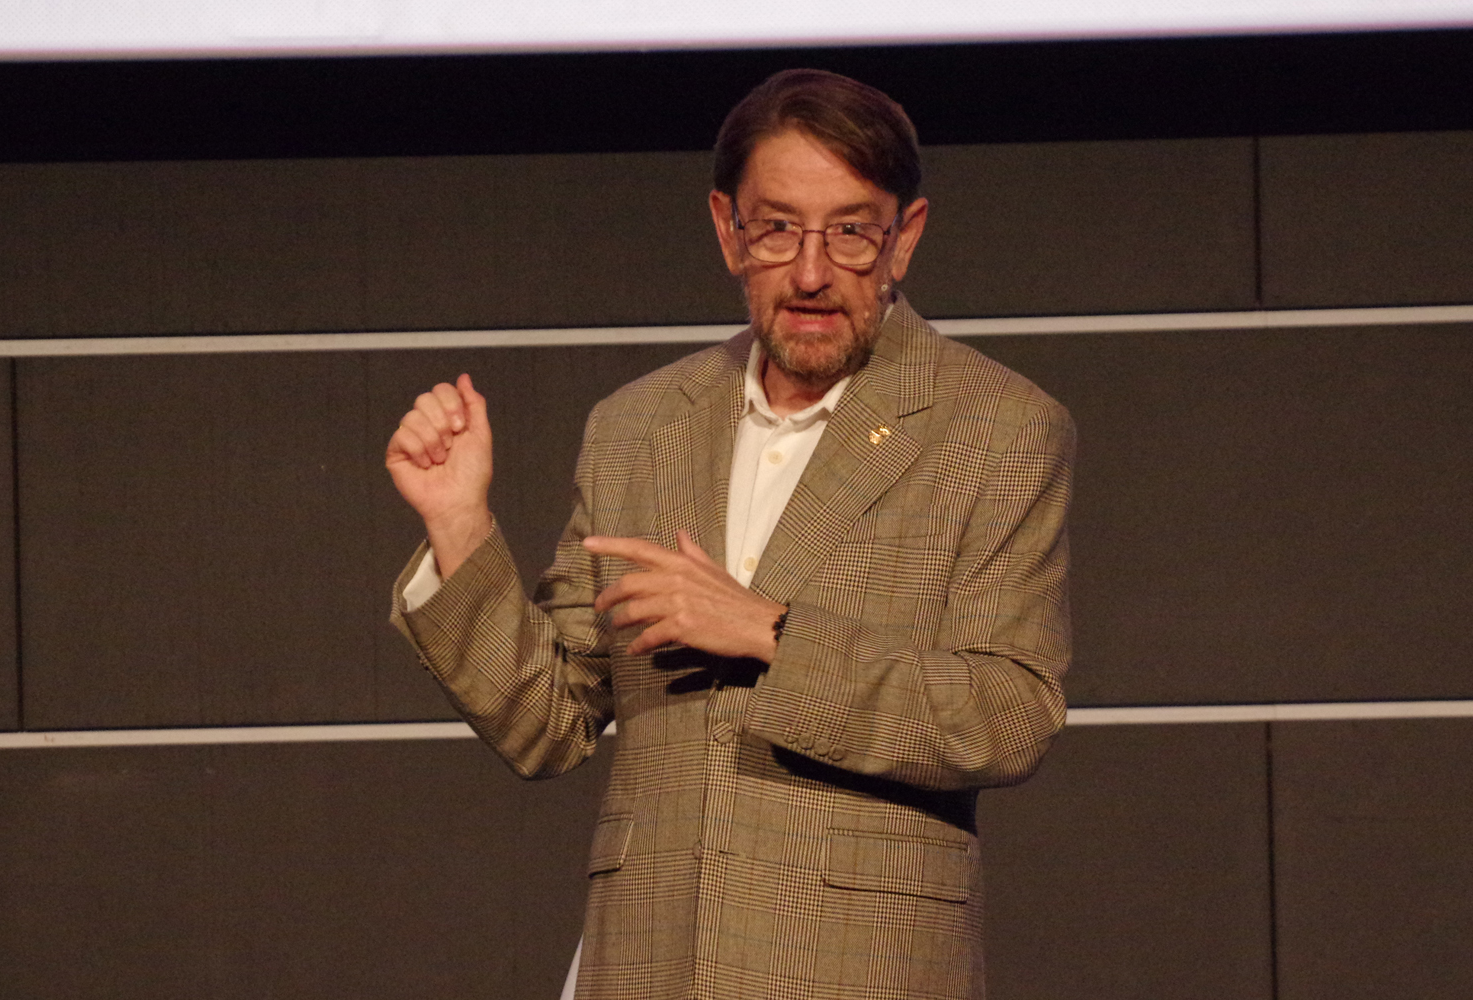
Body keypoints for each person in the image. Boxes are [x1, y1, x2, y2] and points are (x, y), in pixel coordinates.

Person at [385, 68, 1074, 1000]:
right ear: (728, 231)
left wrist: (770, 634)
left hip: (860, 969)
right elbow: (546, 723)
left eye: (851, 231)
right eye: (778, 227)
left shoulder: (996, 427)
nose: (811, 272)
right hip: (649, 961)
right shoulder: (639, 427)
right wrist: (460, 524)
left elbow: (1007, 714)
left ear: (904, 237)